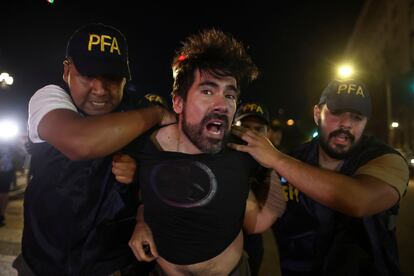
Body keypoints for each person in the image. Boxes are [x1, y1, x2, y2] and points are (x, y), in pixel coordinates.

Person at [15, 23, 172, 276]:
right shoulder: (49, 97)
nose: (99, 89)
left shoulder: (138, 111)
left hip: (112, 266)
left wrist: (141, 179)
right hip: (43, 263)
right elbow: (81, 142)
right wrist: (156, 113)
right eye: (87, 75)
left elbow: (169, 180)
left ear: (125, 78)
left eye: (111, 77)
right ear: (67, 71)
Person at [128, 29, 286, 275]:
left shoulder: (243, 150)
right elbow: (144, 199)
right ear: (178, 102)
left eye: (230, 94)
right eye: (208, 91)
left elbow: (258, 222)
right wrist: (141, 223)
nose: (222, 105)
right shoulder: (148, 148)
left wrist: (275, 166)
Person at [230, 79, 409, 275]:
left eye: (357, 117)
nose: (346, 124)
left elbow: (359, 201)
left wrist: (276, 159)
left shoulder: (386, 159)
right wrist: (238, 171)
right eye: (337, 113)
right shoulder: (292, 160)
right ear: (317, 114)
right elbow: (258, 222)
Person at [233, 102, 273, 276]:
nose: (250, 134)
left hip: (250, 242)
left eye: (258, 129)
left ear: (268, 134)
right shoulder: (217, 156)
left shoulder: (271, 166)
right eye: (245, 127)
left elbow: (258, 221)